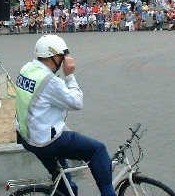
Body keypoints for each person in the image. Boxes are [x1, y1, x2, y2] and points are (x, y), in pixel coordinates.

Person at [15, 35, 116, 196]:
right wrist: (69, 75)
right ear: (53, 56)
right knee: (97, 150)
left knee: (65, 183)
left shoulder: (27, 69)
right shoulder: (49, 81)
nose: (64, 60)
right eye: (62, 56)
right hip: (46, 141)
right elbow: (76, 102)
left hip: (28, 138)